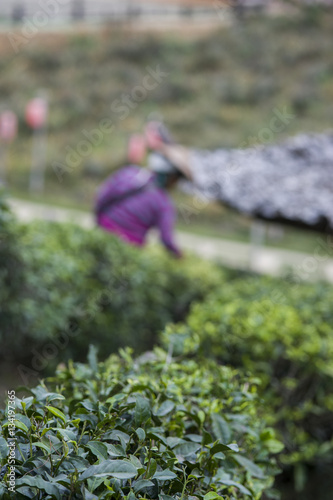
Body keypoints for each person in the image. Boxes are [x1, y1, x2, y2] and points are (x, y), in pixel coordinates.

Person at [95, 132, 190, 258]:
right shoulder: (163, 204)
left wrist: (99, 221)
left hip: (100, 233)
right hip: (128, 250)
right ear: (172, 178)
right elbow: (166, 239)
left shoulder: (128, 173)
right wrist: (179, 256)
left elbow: (102, 196)